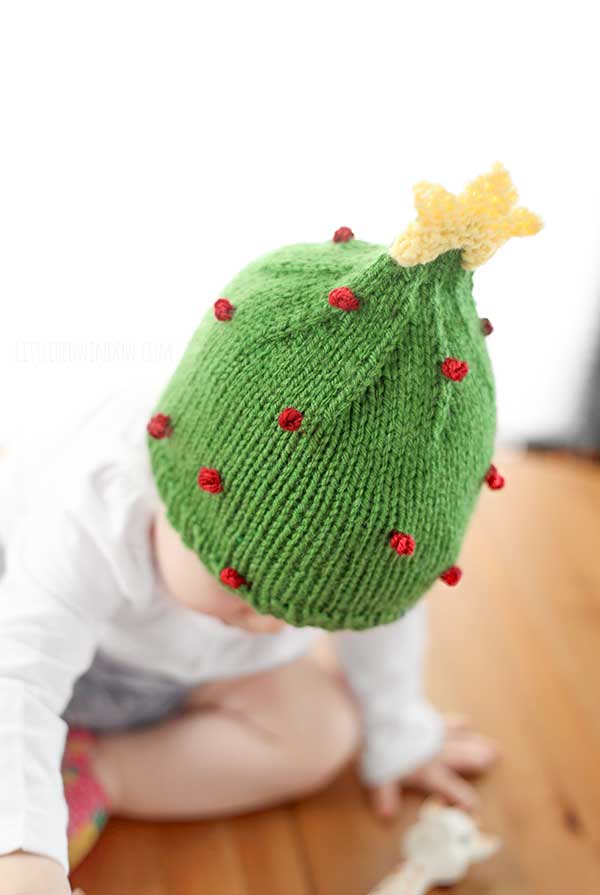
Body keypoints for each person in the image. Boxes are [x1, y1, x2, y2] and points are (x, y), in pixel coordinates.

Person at [0, 164, 541, 895]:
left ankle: (101, 773)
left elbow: (384, 630)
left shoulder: (365, 553)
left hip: (176, 686)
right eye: (244, 584)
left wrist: (401, 732)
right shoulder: (95, 501)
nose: (264, 623)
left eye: (304, 609)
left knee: (322, 733)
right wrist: (25, 857)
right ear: (181, 482)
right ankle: (32, 795)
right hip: (35, 640)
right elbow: (20, 672)